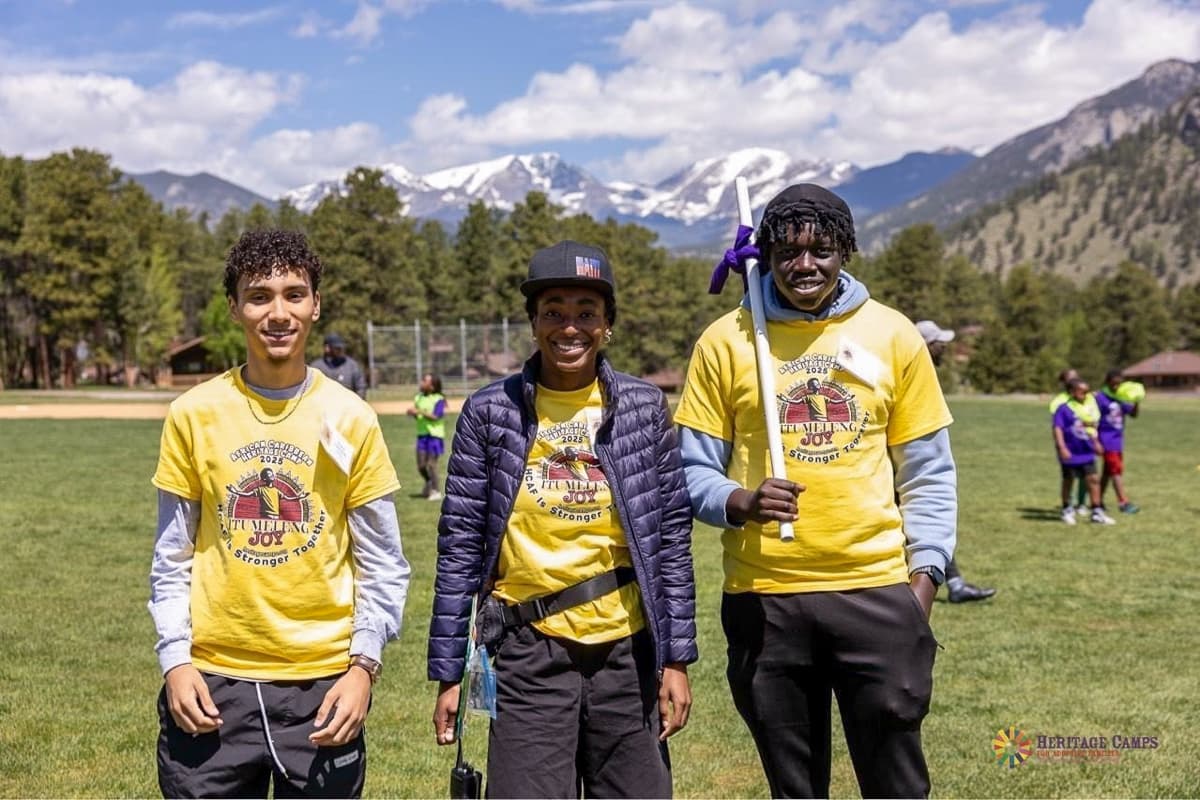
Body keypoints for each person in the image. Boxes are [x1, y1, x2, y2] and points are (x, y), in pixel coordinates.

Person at [677, 184, 954, 798]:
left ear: (846, 251)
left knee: (898, 785)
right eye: (789, 251)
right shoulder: (727, 339)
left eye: (822, 250)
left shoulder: (894, 334)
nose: (806, 265)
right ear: (767, 252)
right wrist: (739, 502)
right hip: (767, 598)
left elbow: (928, 471)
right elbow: (690, 472)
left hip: (878, 593)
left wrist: (924, 580)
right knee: (795, 789)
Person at [428, 240, 696, 798]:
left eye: (585, 313)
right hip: (530, 651)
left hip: (629, 655)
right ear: (532, 323)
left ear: (607, 326)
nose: (568, 327)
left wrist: (676, 660)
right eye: (553, 312)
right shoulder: (490, 412)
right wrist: (449, 671)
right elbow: (458, 548)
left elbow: (670, 540)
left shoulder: (645, 409)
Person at [148, 230, 411, 798]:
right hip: (213, 683)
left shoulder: (353, 418)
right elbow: (171, 555)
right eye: (259, 295)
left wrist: (363, 668)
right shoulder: (192, 414)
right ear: (234, 307)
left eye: (294, 294)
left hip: (322, 687)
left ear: (316, 304)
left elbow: (383, 562)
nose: (278, 312)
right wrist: (176, 662)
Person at [915, 320, 996, 603]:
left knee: (931, 523)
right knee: (921, 522)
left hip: (923, 459)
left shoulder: (926, 371)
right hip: (903, 465)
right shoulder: (908, 369)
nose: (945, 348)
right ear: (926, 345)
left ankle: (955, 583)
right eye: (939, 342)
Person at [1053, 377, 1116, 525]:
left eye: (1087, 391)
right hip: (1070, 451)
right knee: (1069, 480)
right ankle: (1067, 509)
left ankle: (1097, 512)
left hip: (1086, 451)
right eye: (1083, 392)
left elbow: (1089, 428)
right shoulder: (1064, 409)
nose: (1086, 394)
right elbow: (1057, 429)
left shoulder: (1088, 408)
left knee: (1093, 479)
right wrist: (1062, 447)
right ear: (1072, 392)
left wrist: (1096, 443)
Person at [1049, 367, 1098, 514]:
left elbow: (1092, 418)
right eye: (1070, 378)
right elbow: (1059, 425)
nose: (1074, 379)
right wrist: (1061, 446)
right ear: (1065, 383)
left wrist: (1095, 439)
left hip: (1086, 443)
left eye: (1075, 376)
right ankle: (1068, 505)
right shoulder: (1060, 403)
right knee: (1069, 477)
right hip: (1070, 444)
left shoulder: (1086, 396)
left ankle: (1083, 504)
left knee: (1089, 476)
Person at [1095, 368, 1141, 513]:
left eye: (1118, 384)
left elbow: (1133, 415)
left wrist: (1136, 401)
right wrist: (1095, 440)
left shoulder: (1121, 397)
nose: (1116, 387)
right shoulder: (1100, 397)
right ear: (1107, 382)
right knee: (1116, 471)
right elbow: (1092, 418)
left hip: (1117, 440)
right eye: (1113, 384)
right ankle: (1123, 502)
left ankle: (1097, 501)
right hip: (1105, 439)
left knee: (1107, 473)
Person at [406, 373, 446, 501]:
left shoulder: (439, 398)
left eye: (425, 381)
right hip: (422, 435)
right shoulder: (418, 398)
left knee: (431, 464)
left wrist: (419, 411)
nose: (421, 383)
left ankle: (436, 490)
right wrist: (412, 413)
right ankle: (429, 483)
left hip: (435, 435)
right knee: (421, 465)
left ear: (432, 386)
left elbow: (436, 416)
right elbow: (419, 416)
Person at [311, 332, 368, 398]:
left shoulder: (352, 366)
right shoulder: (316, 367)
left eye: (342, 348)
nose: (341, 350)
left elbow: (361, 387)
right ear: (327, 348)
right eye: (337, 348)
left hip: (348, 406)